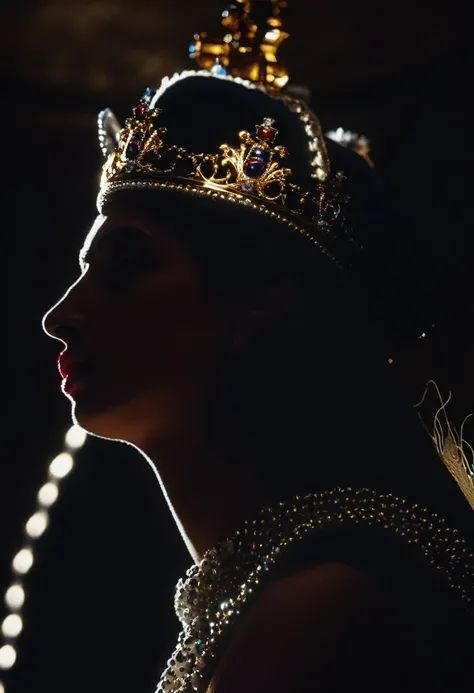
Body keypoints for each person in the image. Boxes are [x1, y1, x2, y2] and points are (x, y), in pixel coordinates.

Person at [42, 3, 473, 691]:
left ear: (264, 298)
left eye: (126, 263)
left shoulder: (323, 606)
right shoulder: (283, 585)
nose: (59, 315)